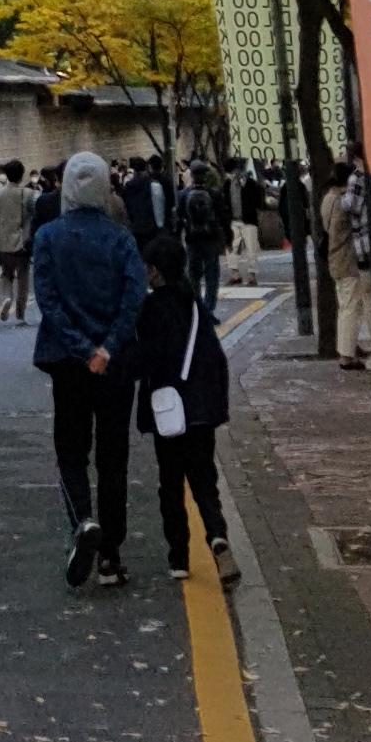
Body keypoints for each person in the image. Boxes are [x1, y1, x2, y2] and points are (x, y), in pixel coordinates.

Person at [35, 149, 146, 589]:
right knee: (113, 455)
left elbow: (48, 301)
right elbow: (133, 299)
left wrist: (82, 349)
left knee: (71, 449)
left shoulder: (48, 237)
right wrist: (107, 347)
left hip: (67, 362)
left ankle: (83, 520)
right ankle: (111, 555)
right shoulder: (121, 240)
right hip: (115, 364)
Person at [133, 230, 240, 590]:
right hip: (200, 409)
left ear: (154, 271)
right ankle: (217, 535)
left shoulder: (150, 309)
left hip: (168, 410)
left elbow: (145, 360)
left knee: (171, 482)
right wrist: (215, 406)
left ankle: (179, 557)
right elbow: (215, 359)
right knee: (204, 480)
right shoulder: (195, 307)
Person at [317, 169, 369, 369]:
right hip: (347, 258)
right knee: (351, 305)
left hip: (335, 258)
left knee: (345, 304)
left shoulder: (327, 199)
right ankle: (346, 354)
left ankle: (349, 345)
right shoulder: (341, 203)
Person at [0, 160, 37, 326]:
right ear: (22, 175)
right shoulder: (28, 193)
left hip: (3, 243)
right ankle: (20, 314)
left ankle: (7, 297)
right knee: (23, 280)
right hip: (23, 242)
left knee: (6, 275)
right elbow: (34, 216)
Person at [177, 166, 228, 320]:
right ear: (205, 177)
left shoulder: (184, 194)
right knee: (212, 275)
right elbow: (222, 216)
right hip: (210, 238)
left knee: (194, 276)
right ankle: (209, 309)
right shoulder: (214, 193)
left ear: (192, 176)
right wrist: (225, 236)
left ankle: (197, 309)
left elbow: (179, 217)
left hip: (192, 239)